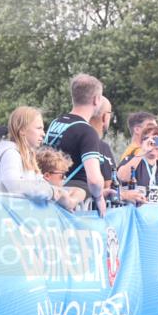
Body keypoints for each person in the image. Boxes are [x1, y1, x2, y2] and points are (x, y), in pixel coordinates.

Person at [42, 74, 109, 216]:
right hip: (75, 204)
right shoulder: (87, 131)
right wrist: (99, 197)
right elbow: (94, 180)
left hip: (50, 192)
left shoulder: (55, 122)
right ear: (96, 100)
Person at [0, 106, 54, 198]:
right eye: (39, 128)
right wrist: (52, 192)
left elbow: (39, 184)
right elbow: (16, 187)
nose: (43, 133)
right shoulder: (11, 155)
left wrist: (57, 191)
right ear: (22, 130)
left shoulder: (26, 155)